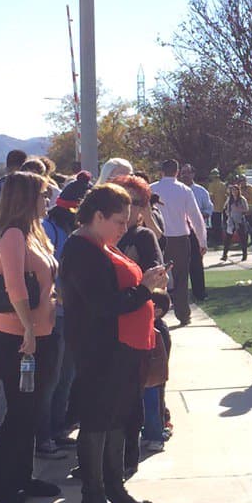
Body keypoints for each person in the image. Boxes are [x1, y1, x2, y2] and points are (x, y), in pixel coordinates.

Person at [60, 183, 168, 503]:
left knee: (119, 417)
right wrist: (143, 291)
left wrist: (150, 292)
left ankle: (114, 487)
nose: (125, 228)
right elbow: (103, 304)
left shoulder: (103, 246)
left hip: (123, 349)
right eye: (119, 221)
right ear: (97, 216)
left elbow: (124, 293)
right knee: (97, 420)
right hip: (100, 349)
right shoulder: (81, 250)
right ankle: (93, 498)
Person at [0, 171, 62, 503]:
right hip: (17, 336)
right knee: (18, 411)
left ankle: (23, 477)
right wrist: (29, 328)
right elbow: (14, 285)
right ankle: (1, 485)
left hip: (43, 332)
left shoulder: (35, 234)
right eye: (43, 195)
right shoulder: (12, 235)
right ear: (26, 198)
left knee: (31, 410)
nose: (48, 201)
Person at [113, 175, 173, 456]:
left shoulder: (143, 236)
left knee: (150, 381)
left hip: (142, 319)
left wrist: (149, 287)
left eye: (136, 203)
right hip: (111, 322)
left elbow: (159, 280)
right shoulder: (102, 236)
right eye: (124, 200)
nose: (129, 209)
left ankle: (153, 431)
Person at [36, 171, 92, 460]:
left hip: (75, 313)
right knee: (52, 376)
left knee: (67, 374)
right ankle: (43, 436)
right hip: (55, 312)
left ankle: (58, 429)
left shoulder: (78, 231)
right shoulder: (49, 229)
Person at [150, 159, 207, 326]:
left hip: (158, 237)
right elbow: (195, 217)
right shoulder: (184, 190)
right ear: (177, 172)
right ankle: (183, 314)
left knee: (157, 276)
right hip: (180, 237)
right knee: (181, 277)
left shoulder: (152, 189)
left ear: (162, 171)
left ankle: (155, 312)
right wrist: (201, 240)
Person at [180, 164, 213, 303]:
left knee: (196, 263)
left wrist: (200, 216)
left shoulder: (200, 191)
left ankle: (199, 293)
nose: (185, 175)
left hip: (196, 230)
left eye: (188, 172)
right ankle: (179, 294)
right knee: (179, 264)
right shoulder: (178, 190)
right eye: (183, 173)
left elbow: (209, 208)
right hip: (180, 231)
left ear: (193, 174)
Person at [222, 183, 249, 262]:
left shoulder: (242, 199)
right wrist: (228, 213)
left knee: (243, 238)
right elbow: (225, 208)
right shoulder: (229, 199)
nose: (234, 192)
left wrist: (239, 209)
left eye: (235, 190)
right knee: (228, 238)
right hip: (231, 221)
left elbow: (246, 209)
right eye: (233, 190)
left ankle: (244, 255)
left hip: (239, 220)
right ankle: (224, 255)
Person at [208, 168, 228, 246]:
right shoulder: (223, 185)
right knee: (220, 225)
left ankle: (216, 240)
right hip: (222, 208)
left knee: (215, 225)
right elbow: (226, 196)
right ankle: (220, 240)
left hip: (214, 208)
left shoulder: (212, 185)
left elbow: (211, 196)